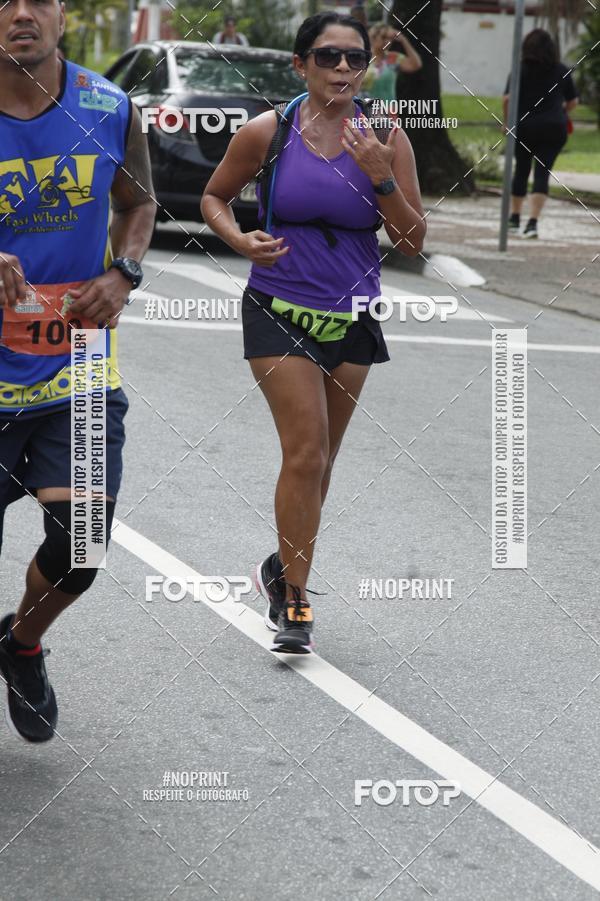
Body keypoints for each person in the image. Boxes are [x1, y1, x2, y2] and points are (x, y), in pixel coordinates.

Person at [201, 12, 425, 654]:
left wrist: (381, 174)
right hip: (279, 305)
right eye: (328, 58)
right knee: (304, 451)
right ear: (301, 65)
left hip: (354, 311)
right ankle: (295, 602)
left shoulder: (386, 134)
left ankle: (280, 567)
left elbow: (412, 241)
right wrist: (239, 237)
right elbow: (214, 197)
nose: (344, 70)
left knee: (321, 461)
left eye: (356, 59)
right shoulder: (266, 133)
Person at [0, 0, 155, 742]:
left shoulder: (109, 106)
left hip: (78, 368)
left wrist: (123, 272)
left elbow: (139, 201)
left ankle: (21, 644)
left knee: (83, 543)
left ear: (62, 14)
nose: (20, 13)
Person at [503, 28, 578, 239]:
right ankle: (533, 223)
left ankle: (514, 218)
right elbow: (573, 101)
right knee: (542, 173)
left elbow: (507, 99)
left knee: (521, 170)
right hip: (554, 128)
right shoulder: (562, 70)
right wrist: (560, 112)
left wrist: (506, 122)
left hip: (524, 127)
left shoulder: (519, 71)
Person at [361, 23, 422, 103]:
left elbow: (416, 65)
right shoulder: (362, 58)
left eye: (390, 38)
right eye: (383, 37)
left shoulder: (393, 58)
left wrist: (404, 40)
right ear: (372, 38)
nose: (387, 41)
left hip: (388, 111)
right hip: (364, 111)